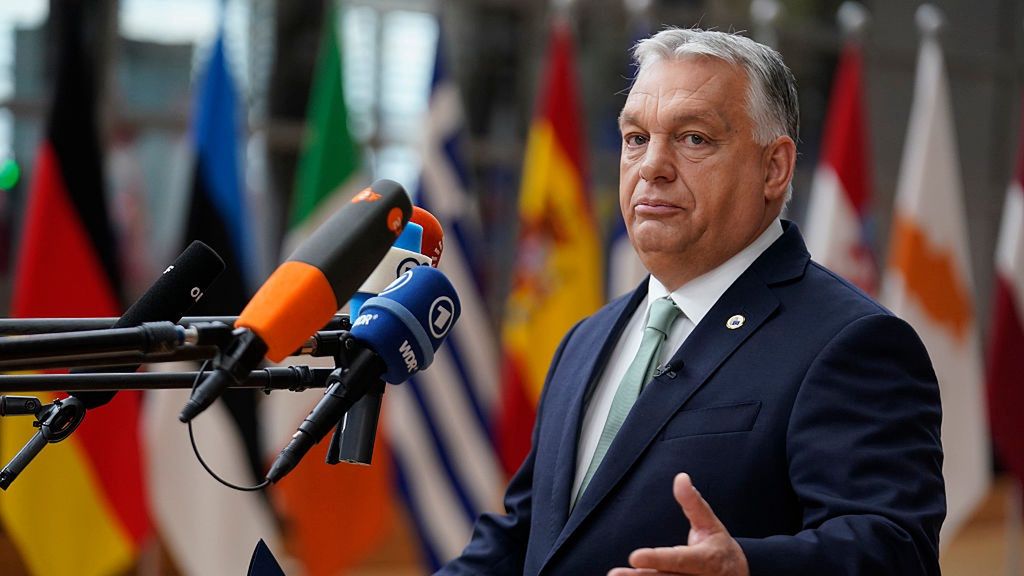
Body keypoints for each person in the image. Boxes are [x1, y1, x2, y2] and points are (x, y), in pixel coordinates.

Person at [437, 27, 944, 576]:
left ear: (774, 168)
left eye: (694, 138)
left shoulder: (853, 341)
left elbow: (896, 550)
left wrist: (748, 568)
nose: (651, 165)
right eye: (635, 138)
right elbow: (527, 536)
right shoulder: (584, 340)